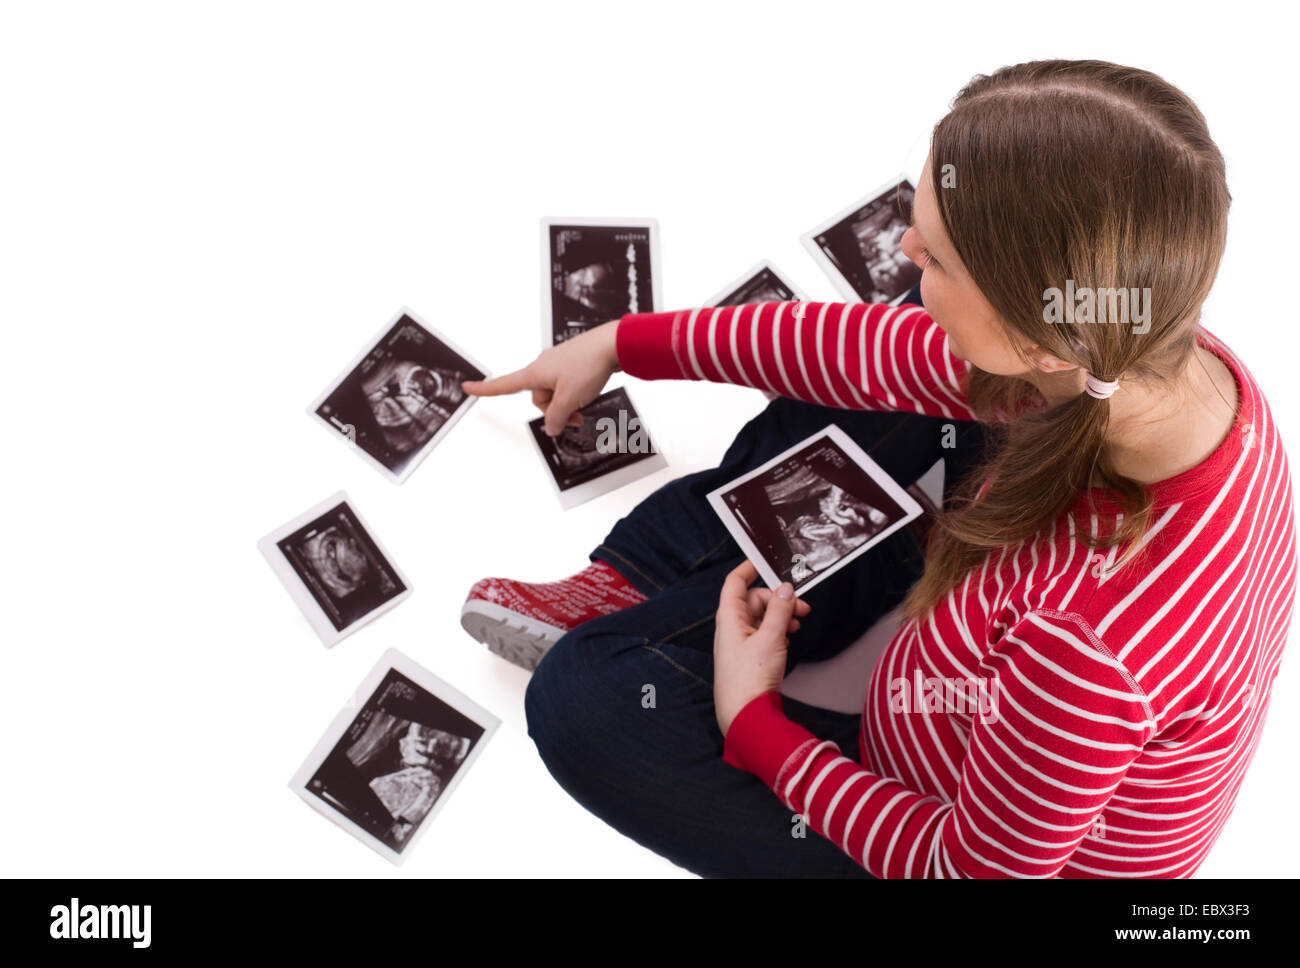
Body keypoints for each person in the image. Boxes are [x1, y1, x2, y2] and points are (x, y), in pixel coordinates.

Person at [457, 59, 1297, 878]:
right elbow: (867, 353)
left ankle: (736, 609)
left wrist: (754, 724)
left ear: (1040, 345)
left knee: (585, 704)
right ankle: (659, 577)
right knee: (910, 352)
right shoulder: (1155, 352)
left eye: (935, 257)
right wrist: (621, 343)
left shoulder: (1087, 646)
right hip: (1004, 664)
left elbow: (963, 866)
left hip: (947, 816)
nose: (903, 246)